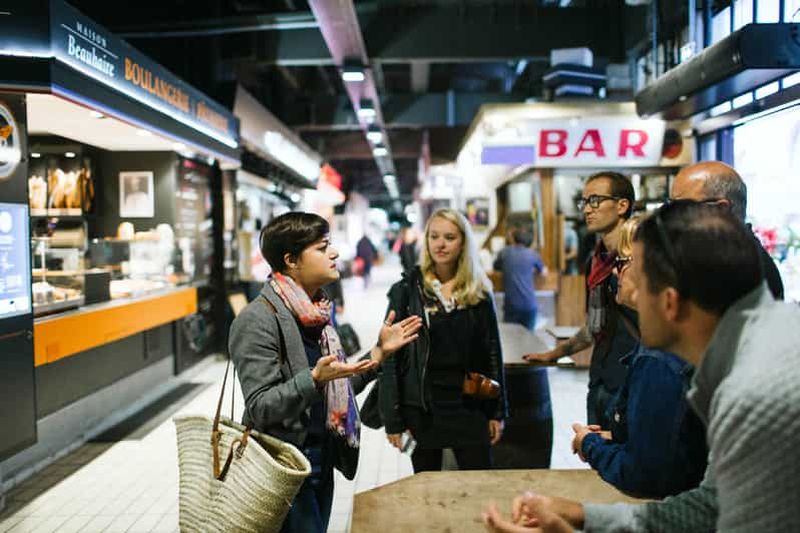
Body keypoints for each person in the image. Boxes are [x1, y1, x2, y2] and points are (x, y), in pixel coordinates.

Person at [482, 201, 800, 532]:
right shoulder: (763, 339)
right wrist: (583, 515)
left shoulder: (755, 392)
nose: (624, 283)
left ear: (669, 303)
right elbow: (709, 506)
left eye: (637, 275)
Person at [229, 212, 422, 533]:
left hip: (321, 456)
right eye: (321, 248)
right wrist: (313, 379)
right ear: (291, 260)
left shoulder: (314, 313)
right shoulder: (257, 319)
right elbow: (260, 407)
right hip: (285, 465)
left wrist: (378, 353)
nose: (333, 254)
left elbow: (337, 383)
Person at [570, 217, 707, 498]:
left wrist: (589, 445)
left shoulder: (659, 360)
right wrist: (613, 437)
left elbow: (643, 475)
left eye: (624, 263)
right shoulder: (669, 346)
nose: (616, 273)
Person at [379, 208, 508, 472]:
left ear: (463, 242)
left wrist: (497, 410)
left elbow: (493, 350)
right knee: (427, 490)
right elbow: (390, 357)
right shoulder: (407, 290)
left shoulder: (478, 291)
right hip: (423, 408)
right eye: (434, 236)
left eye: (449, 237)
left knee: (478, 485)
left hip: (469, 405)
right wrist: (393, 419)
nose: (440, 244)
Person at [525, 172, 637, 428]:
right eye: (584, 202)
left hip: (634, 380)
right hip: (600, 378)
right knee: (597, 459)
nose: (587, 209)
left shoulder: (642, 259)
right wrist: (555, 353)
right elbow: (594, 326)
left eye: (595, 201)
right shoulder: (595, 261)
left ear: (622, 205)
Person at [670, 160, 783, 300]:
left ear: (720, 209)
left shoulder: (739, 267)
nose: (671, 216)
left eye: (681, 206)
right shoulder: (728, 254)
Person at [493, 227, 547, 331]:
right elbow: (543, 272)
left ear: (513, 239)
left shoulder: (504, 252)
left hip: (511, 306)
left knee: (511, 341)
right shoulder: (532, 254)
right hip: (529, 306)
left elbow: (496, 267)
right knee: (529, 340)